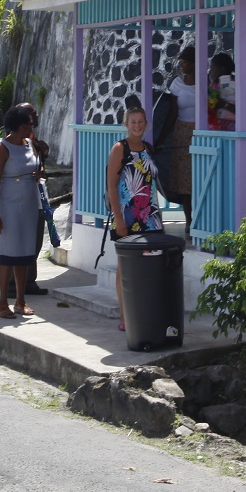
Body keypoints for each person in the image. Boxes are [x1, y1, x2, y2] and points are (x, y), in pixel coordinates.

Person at [105, 105, 163, 332]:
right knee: (126, 266)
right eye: (133, 122)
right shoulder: (120, 148)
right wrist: (119, 219)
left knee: (150, 264)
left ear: (145, 124)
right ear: (126, 124)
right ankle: (125, 315)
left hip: (150, 214)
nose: (137, 126)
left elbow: (152, 183)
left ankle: (145, 311)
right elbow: (111, 184)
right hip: (128, 214)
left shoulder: (148, 148)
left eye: (141, 122)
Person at [0, 105, 42, 318]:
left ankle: (20, 301)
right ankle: (2, 303)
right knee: (9, 254)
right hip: (9, 206)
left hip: (29, 204)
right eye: (30, 122)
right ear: (21, 125)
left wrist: (39, 172)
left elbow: (36, 166)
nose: (33, 125)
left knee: (24, 253)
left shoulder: (30, 144)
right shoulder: (2, 148)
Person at [3, 102, 49, 300]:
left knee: (35, 242)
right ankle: (13, 286)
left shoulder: (32, 142)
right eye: (31, 115)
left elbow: (38, 167)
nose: (35, 118)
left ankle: (29, 281)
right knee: (18, 245)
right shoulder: (8, 144)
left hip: (35, 197)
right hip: (17, 202)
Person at [160, 45, 197, 225]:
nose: (182, 66)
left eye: (185, 62)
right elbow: (172, 112)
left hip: (200, 132)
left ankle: (202, 219)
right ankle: (189, 220)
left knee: (199, 176)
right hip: (182, 132)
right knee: (184, 181)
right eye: (181, 62)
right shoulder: (177, 83)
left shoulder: (207, 82)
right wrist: (161, 137)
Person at [207, 52, 237, 130]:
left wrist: (224, 104)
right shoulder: (213, 85)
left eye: (212, 68)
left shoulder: (237, 84)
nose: (210, 72)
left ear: (222, 70)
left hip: (232, 132)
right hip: (215, 132)